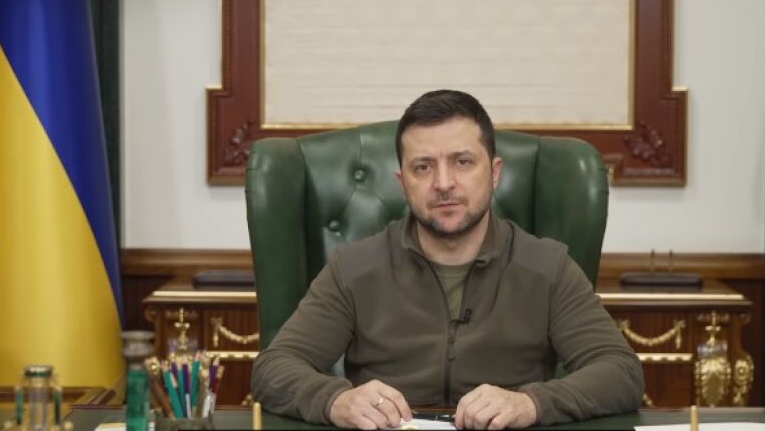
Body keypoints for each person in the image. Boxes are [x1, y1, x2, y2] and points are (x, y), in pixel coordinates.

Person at [250, 90, 644, 429]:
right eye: (423, 167)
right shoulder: (354, 267)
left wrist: (530, 403)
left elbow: (621, 372)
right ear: (402, 183)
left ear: (494, 173)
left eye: (462, 162)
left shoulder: (547, 266)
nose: (443, 183)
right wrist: (336, 400)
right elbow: (274, 368)